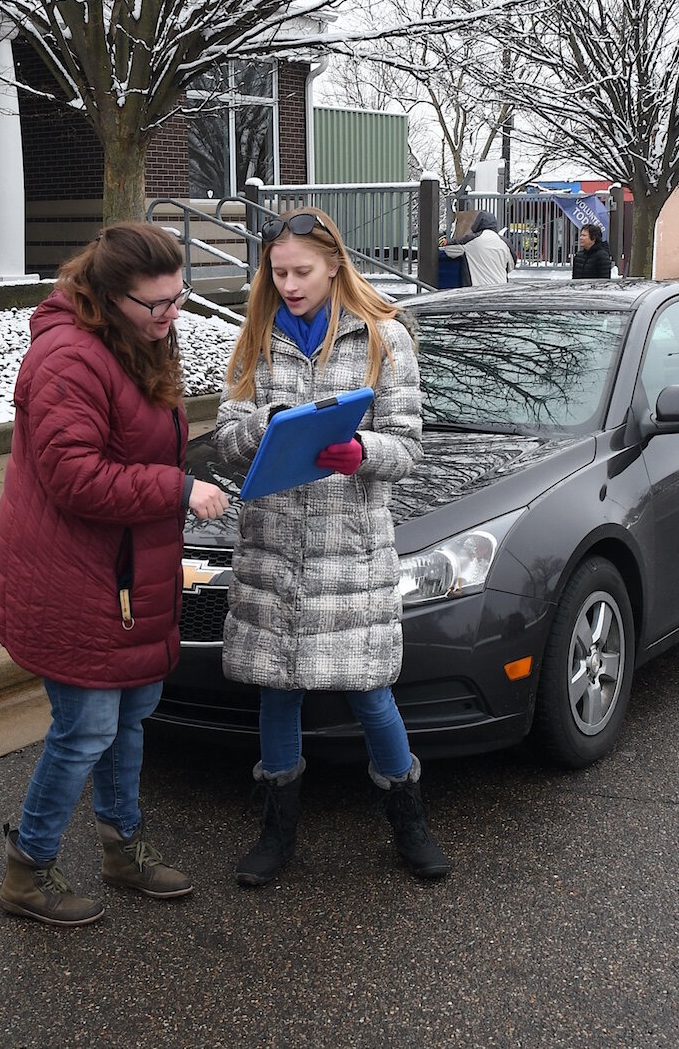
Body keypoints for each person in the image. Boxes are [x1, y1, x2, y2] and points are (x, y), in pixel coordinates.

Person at [0, 222, 229, 927]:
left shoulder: (140, 335)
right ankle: (27, 871)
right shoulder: (66, 358)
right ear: (110, 296)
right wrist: (176, 490)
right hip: (73, 579)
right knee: (86, 729)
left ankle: (123, 849)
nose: (173, 316)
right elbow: (74, 477)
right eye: (158, 305)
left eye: (179, 298)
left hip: (126, 573)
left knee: (129, 717)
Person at [212, 207, 452, 884]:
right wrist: (264, 427)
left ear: (335, 264)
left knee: (371, 690)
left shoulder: (385, 338)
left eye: (302, 271)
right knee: (278, 692)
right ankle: (277, 829)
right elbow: (225, 440)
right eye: (278, 271)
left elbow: (407, 446)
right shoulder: (254, 338)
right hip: (274, 547)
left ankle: (408, 818)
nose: (288, 284)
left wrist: (361, 449)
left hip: (350, 551)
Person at [441, 211, 515, 286]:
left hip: (477, 290)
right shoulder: (505, 243)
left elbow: (449, 250)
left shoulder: (470, 240)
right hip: (500, 288)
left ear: (477, 224)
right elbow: (511, 266)